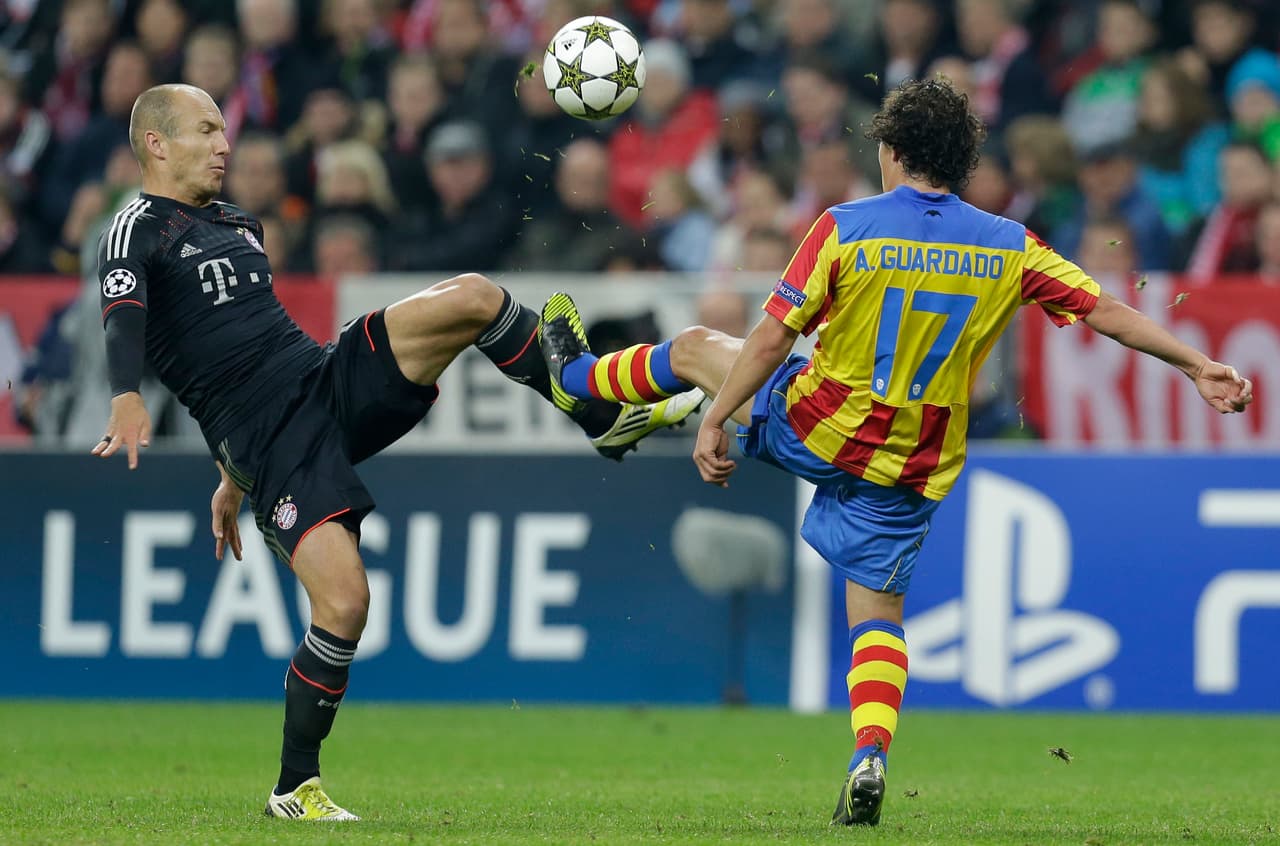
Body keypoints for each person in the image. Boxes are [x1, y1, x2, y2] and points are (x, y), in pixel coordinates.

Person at [537, 78, 1254, 828]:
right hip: (913, 459)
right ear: (961, 159)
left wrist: (718, 418)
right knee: (876, 611)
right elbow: (1103, 309)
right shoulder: (1010, 243)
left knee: (695, 347)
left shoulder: (847, 226)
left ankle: (580, 379)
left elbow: (774, 336)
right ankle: (870, 752)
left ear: (893, 151)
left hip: (819, 423)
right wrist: (1194, 364)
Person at [91, 83, 704, 821]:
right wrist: (132, 398)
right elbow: (126, 318)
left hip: (322, 380)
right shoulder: (135, 227)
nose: (226, 145)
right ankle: (295, 789)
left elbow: (235, 346)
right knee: (346, 604)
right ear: (156, 143)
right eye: (207, 130)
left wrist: (227, 475)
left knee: (475, 296)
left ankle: (596, 413)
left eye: (224, 130)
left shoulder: (238, 222)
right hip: (271, 442)